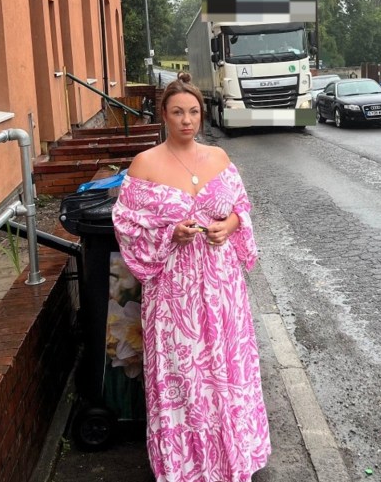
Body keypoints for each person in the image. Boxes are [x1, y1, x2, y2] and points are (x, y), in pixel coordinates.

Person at [111, 72, 271, 482]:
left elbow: (242, 206)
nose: (187, 120)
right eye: (178, 111)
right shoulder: (145, 164)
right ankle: (186, 464)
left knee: (226, 368)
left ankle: (235, 455)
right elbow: (126, 225)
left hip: (222, 286)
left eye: (194, 112)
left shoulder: (219, 158)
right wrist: (170, 233)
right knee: (184, 375)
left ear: (202, 115)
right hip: (174, 292)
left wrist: (231, 224)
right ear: (163, 114)